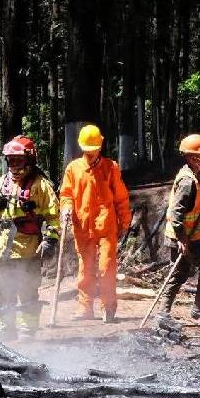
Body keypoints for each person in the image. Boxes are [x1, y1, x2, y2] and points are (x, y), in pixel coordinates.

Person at [0, 136, 60, 339]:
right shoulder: (1, 184)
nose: (14, 165)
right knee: (4, 291)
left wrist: (50, 240)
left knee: (28, 291)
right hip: (3, 249)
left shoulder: (41, 186)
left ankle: (27, 331)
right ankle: (7, 328)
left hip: (28, 248)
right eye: (11, 160)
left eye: (18, 160)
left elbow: (53, 216)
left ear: (29, 160)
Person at [59, 124, 131, 323]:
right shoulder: (73, 169)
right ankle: (85, 308)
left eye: (94, 149)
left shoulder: (110, 167)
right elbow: (66, 194)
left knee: (107, 267)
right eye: (88, 149)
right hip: (82, 225)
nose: (91, 153)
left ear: (100, 146)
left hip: (106, 225)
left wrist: (125, 220)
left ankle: (108, 308)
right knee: (85, 268)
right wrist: (65, 208)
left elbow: (121, 197)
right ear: (82, 148)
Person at [154, 134, 200, 323]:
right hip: (185, 236)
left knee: (180, 273)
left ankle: (164, 312)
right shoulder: (187, 181)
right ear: (193, 158)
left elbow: (191, 207)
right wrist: (182, 239)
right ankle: (189, 309)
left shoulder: (190, 176)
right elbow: (176, 213)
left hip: (189, 235)